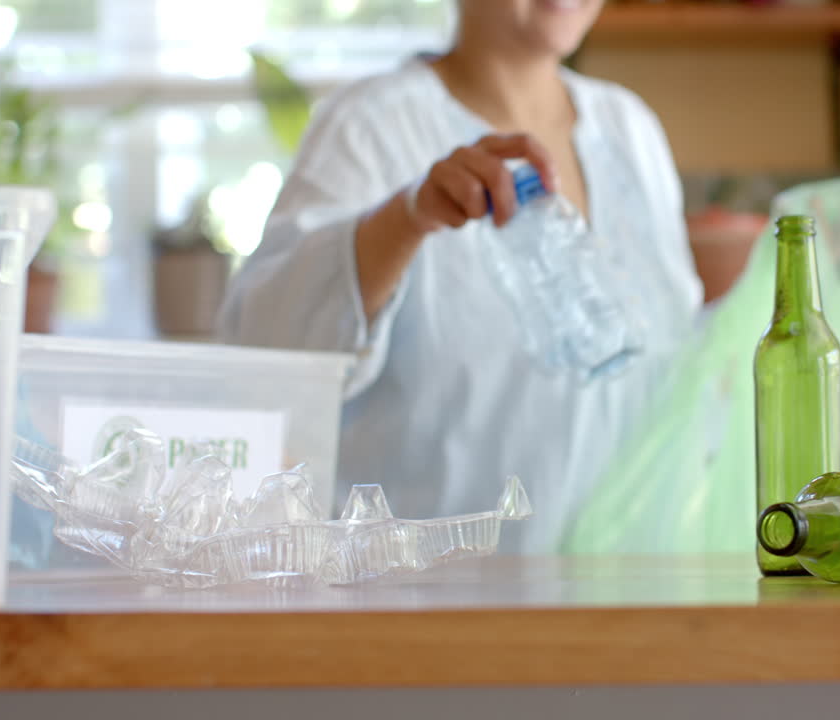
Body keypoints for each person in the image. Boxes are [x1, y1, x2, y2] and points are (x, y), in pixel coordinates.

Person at [217, 0, 704, 553]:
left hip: (632, 598)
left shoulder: (630, 128)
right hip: (429, 609)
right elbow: (267, 349)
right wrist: (407, 218)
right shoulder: (372, 126)